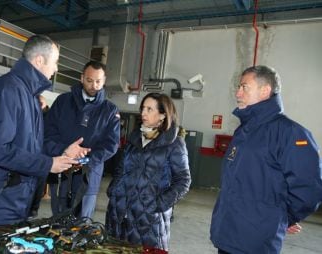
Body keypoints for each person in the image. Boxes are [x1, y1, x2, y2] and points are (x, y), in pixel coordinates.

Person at [0, 35, 81, 232]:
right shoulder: (5, 91)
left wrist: (63, 153)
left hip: (17, 203)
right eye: (55, 62)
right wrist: (48, 164)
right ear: (39, 60)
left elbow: (31, 146)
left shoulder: (29, 96)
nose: (56, 69)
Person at [210, 65, 322, 254]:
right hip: (229, 233)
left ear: (265, 90)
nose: (238, 93)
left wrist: (282, 217)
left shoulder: (290, 133)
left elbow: (309, 190)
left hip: (255, 241)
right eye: (238, 87)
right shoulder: (244, 131)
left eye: (244, 87)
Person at [105, 92, 191, 251]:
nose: (143, 113)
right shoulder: (134, 138)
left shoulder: (174, 144)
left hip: (149, 218)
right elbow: (120, 169)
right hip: (118, 212)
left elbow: (183, 181)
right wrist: (113, 190)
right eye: (143, 108)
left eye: (149, 109)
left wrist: (159, 204)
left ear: (162, 115)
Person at [44, 60, 120, 218]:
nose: (94, 85)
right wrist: (64, 151)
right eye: (89, 80)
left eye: (98, 81)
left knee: (82, 225)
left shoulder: (110, 111)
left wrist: (86, 160)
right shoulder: (63, 101)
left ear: (104, 81)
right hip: (61, 169)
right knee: (57, 221)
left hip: (89, 175)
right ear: (81, 78)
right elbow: (48, 133)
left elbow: (111, 145)